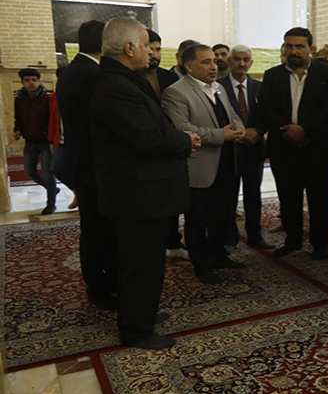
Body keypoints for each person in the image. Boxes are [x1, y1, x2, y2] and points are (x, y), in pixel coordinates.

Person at [88, 17, 200, 349]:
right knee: (142, 264)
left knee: (141, 262)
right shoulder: (116, 86)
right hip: (138, 195)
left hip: (140, 192)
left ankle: (139, 314)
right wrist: (185, 140)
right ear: (129, 47)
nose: (151, 53)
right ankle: (136, 329)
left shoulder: (123, 80)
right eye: (145, 46)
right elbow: (147, 139)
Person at [162, 44, 247, 285]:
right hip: (200, 166)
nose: (214, 66)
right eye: (206, 62)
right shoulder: (175, 92)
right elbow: (182, 129)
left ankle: (219, 255)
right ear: (189, 66)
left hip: (227, 162)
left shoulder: (219, 88)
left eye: (214, 61)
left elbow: (233, 115)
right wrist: (222, 136)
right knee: (198, 219)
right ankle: (202, 265)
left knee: (223, 214)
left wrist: (240, 130)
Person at [259, 27, 328, 260]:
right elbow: (266, 108)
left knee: (319, 198)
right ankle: (292, 240)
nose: (293, 51)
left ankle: (320, 244)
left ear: (310, 48)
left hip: (318, 147)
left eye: (299, 46)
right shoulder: (272, 75)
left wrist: (304, 130)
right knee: (288, 198)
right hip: (283, 147)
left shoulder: (327, 74)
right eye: (289, 46)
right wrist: (289, 131)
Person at [57, 20, 119, 311]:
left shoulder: (76, 70)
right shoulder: (91, 73)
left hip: (86, 161)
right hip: (91, 164)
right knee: (96, 230)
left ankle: (105, 280)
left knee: (99, 228)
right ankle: (98, 287)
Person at [218, 44, 275, 250]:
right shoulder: (218, 86)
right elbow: (218, 116)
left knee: (253, 194)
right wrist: (241, 133)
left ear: (251, 63)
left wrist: (257, 131)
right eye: (237, 59)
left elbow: (267, 114)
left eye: (246, 60)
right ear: (230, 61)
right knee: (229, 195)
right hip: (230, 149)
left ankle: (255, 235)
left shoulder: (260, 87)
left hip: (254, 148)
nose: (241, 63)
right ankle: (229, 238)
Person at [144, 29, 187, 261]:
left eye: (158, 49)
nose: (154, 54)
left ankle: (172, 241)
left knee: (171, 201)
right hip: (147, 147)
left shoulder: (169, 78)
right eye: (149, 49)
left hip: (172, 145)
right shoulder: (132, 79)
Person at [13, 68, 58, 215]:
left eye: (34, 80)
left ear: (39, 81)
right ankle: (53, 189)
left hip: (45, 141)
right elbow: (18, 118)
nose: (31, 83)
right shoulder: (19, 100)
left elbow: (52, 119)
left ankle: (51, 203)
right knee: (29, 172)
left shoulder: (47, 98)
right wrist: (18, 130)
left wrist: (52, 140)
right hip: (30, 141)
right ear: (22, 82)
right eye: (27, 80)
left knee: (47, 173)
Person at [48, 65, 77, 209]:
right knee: (56, 168)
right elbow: (53, 118)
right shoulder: (54, 96)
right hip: (60, 139)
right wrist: (51, 140)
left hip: (76, 140)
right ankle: (76, 191)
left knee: (77, 169)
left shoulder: (79, 93)